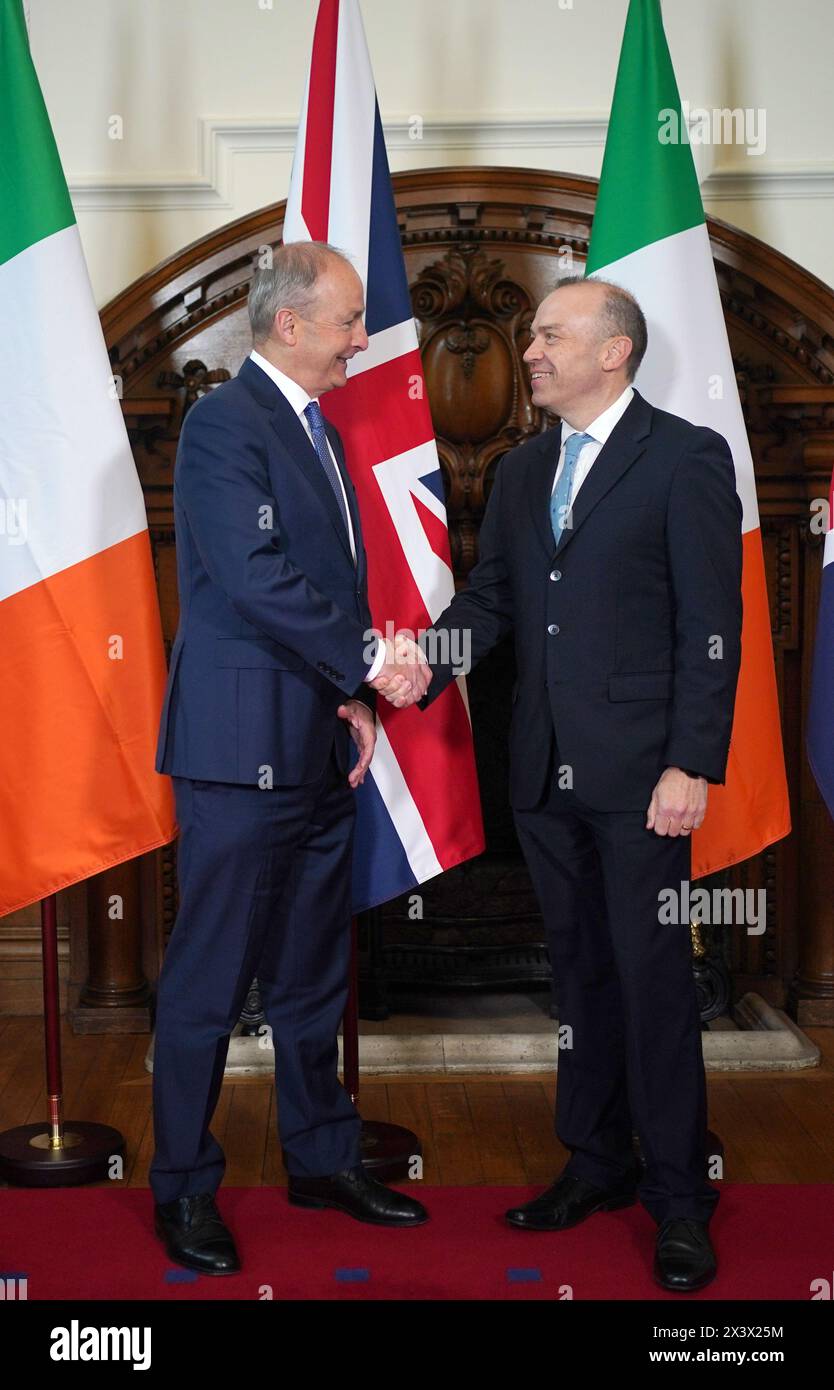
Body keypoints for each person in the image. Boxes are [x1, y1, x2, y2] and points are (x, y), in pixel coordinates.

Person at [412, 275, 743, 1293]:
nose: (533, 351)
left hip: (647, 778)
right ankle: (594, 1163)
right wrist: (418, 661)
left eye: (551, 334)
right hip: (544, 775)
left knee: (651, 984)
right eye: (533, 334)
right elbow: (496, 598)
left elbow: (711, 630)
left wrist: (691, 761)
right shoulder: (520, 471)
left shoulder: (685, 457)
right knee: (578, 978)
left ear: (616, 352)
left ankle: (680, 1199)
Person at [150, 241, 431, 1274]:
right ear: (290, 325)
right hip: (236, 756)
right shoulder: (224, 423)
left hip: (315, 746)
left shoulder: (321, 430)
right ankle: (181, 1188)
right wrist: (369, 658)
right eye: (351, 320)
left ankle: (319, 1158)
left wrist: (355, 698)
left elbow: (326, 588)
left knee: (314, 978)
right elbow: (258, 576)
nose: (364, 338)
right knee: (209, 982)